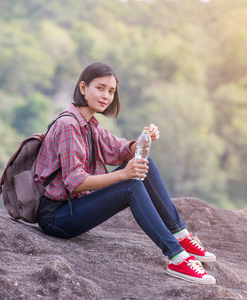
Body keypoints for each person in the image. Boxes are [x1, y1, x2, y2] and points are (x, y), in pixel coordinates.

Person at [34, 62, 216, 284]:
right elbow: (74, 181)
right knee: (131, 185)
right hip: (56, 217)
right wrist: (123, 175)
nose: (106, 96)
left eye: (111, 91)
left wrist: (143, 140)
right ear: (83, 88)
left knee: (143, 162)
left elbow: (118, 149)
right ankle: (176, 257)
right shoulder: (68, 125)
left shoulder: (89, 124)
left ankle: (180, 236)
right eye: (100, 88)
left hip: (73, 207)